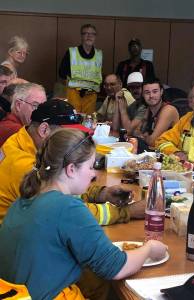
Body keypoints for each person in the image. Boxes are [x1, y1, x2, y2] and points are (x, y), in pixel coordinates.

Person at [0, 127, 167, 299]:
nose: (93, 174)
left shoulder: (27, 197)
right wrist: (150, 248)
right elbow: (116, 267)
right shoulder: (67, 208)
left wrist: (99, 193)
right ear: (71, 169)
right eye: (90, 166)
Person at [0, 99, 146, 225]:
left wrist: (101, 194)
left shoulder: (21, 142)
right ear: (44, 130)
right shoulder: (23, 164)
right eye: (67, 135)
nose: (74, 141)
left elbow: (62, 189)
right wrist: (127, 212)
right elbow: (69, 212)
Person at [59, 24, 102, 114]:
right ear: (81, 36)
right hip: (74, 93)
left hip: (91, 95)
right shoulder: (72, 52)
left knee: (88, 123)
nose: (89, 36)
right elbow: (62, 73)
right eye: (86, 33)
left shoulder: (99, 54)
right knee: (74, 119)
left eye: (92, 34)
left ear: (95, 36)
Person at [128, 79, 179, 151]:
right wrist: (144, 136)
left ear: (161, 92)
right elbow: (134, 131)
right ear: (142, 94)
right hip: (155, 152)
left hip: (170, 153)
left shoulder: (168, 110)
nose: (151, 96)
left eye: (155, 92)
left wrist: (144, 136)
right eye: (147, 92)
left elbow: (153, 141)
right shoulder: (148, 109)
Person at [0, 82, 46, 147]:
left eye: (44, 107)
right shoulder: (16, 131)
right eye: (35, 106)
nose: (41, 112)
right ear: (18, 105)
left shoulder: (10, 123)